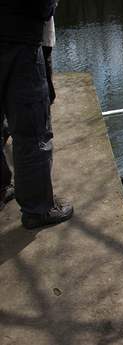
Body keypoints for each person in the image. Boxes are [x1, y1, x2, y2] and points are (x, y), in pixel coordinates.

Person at [0, 0, 73, 228]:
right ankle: (38, 209)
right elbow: (42, 7)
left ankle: (1, 187)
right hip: (16, 39)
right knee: (31, 128)